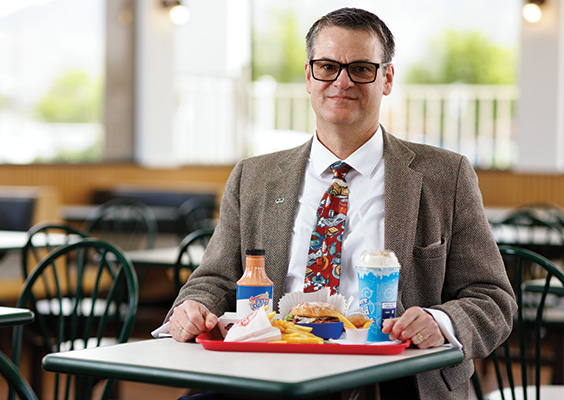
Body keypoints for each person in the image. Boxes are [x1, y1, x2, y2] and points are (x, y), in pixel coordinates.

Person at [165, 7, 516, 399]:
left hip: (392, 381)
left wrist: (440, 321)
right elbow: (213, 280)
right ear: (308, 77)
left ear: (387, 78)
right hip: (268, 374)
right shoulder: (254, 177)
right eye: (328, 67)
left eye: (361, 69)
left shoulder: (444, 176)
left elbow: (493, 300)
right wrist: (192, 308)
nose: (342, 81)